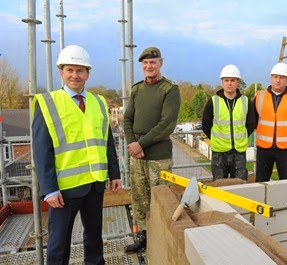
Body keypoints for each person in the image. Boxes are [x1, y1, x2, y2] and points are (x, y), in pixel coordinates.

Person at [32, 45, 122, 265]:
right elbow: (41, 150)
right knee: (58, 243)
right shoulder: (47, 103)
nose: (75, 75)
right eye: (70, 70)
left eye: (80, 70)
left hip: (95, 183)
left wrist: (115, 173)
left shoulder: (99, 102)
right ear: (61, 72)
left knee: (94, 238)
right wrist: (49, 189)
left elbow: (107, 140)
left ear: (88, 74)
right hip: (64, 189)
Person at [123, 47, 181, 253]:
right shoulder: (137, 90)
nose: (149, 66)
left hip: (158, 157)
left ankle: (164, 239)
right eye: (145, 63)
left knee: (162, 199)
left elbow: (167, 124)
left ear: (160, 64)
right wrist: (132, 144)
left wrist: (141, 144)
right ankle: (143, 238)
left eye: (153, 63)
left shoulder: (169, 89)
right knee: (139, 199)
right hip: (137, 156)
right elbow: (127, 119)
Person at [254, 62, 287, 181]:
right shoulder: (259, 96)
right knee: (261, 182)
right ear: (271, 78)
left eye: (282, 77)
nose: (278, 80)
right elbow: (252, 119)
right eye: (275, 77)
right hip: (264, 148)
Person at [202, 64, 256, 181]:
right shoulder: (213, 101)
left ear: (238, 82)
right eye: (226, 80)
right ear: (222, 82)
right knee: (219, 185)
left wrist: (241, 138)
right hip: (219, 153)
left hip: (238, 152)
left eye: (233, 80)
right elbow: (206, 124)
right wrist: (216, 139)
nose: (229, 83)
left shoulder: (245, 101)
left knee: (239, 186)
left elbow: (251, 123)